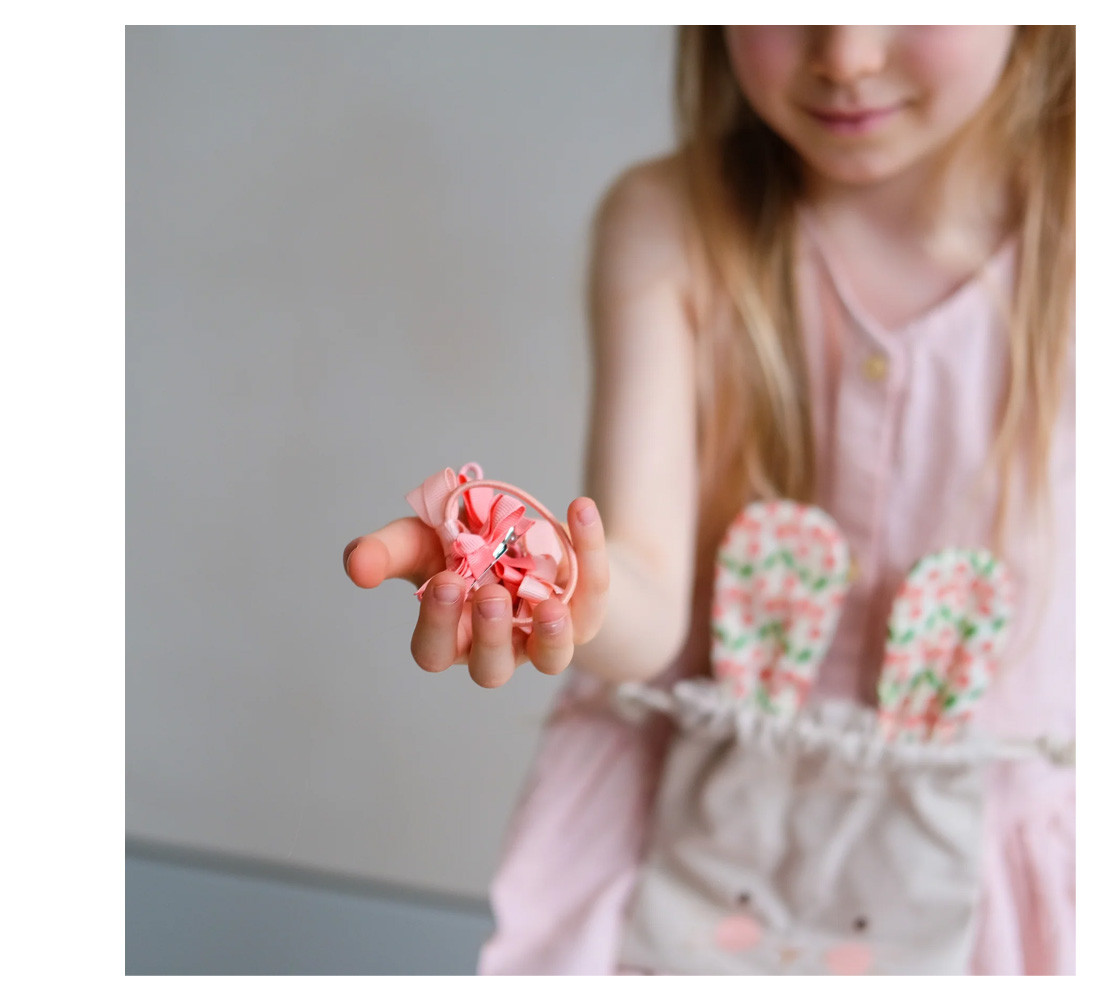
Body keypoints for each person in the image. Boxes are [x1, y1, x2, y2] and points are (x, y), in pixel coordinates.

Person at [343, 25, 1075, 975]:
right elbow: (644, 614)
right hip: (689, 855)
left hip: (996, 886)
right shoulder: (670, 222)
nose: (845, 52)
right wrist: (561, 581)